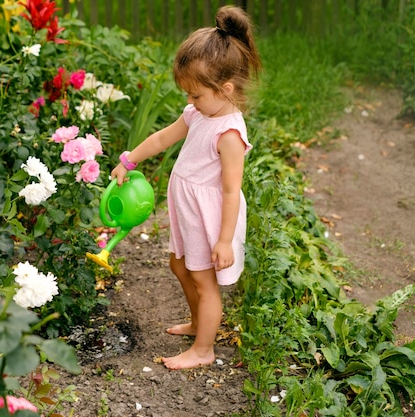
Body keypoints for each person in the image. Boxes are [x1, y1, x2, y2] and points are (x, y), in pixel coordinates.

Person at [110, 5, 261, 370]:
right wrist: (130, 159)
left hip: (210, 218)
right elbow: (164, 137)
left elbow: (230, 191)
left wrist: (224, 240)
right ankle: (198, 325)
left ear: (225, 88)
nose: (189, 101)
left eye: (195, 94)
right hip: (188, 211)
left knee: (204, 281)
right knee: (179, 266)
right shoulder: (198, 112)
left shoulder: (229, 135)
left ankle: (204, 349)